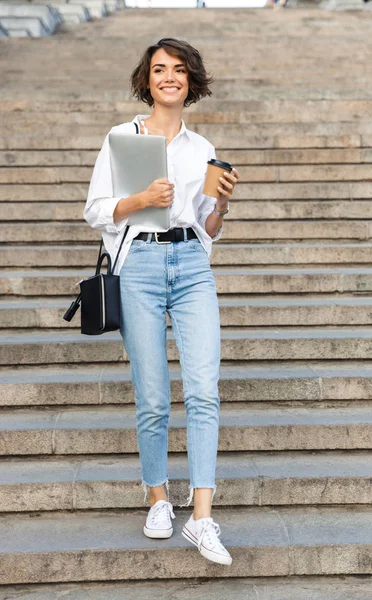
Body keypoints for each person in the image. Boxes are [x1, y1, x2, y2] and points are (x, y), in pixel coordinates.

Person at [83, 37, 239, 566]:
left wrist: (219, 202)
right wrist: (143, 200)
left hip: (192, 264)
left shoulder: (201, 148)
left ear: (190, 80)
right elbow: (96, 209)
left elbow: (208, 226)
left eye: (177, 70)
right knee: (152, 396)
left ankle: (201, 517)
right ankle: (156, 497)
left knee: (204, 390)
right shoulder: (121, 138)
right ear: (146, 80)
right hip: (140, 268)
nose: (168, 77)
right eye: (158, 70)